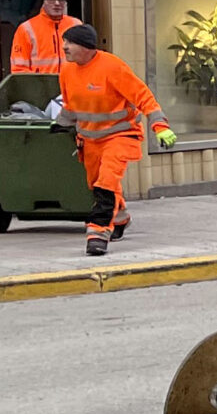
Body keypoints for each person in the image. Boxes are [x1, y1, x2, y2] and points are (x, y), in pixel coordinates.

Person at [55, 23, 176, 256]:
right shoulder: (67, 71)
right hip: (89, 141)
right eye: (64, 42)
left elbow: (143, 95)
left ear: (86, 46)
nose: (65, 47)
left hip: (120, 136)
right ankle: (119, 218)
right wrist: (60, 124)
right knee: (97, 183)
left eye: (69, 43)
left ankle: (98, 233)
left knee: (106, 183)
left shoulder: (112, 67)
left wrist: (159, 125)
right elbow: (71, 106)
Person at [9, 0, 81, 74]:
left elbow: (86, 59)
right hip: (40, 86)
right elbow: (19, 69)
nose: (57, 3)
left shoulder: (76, 25)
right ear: (43, 2)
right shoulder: (26, 29)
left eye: (61, 0)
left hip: (72, 85)